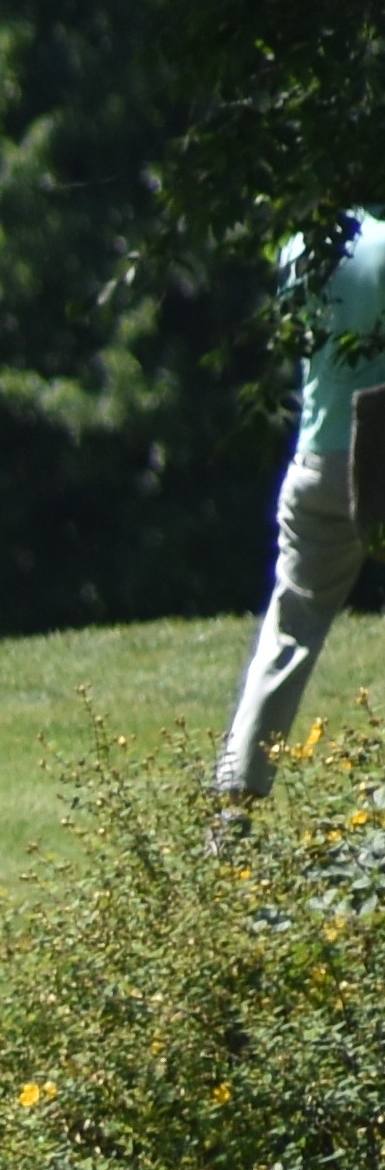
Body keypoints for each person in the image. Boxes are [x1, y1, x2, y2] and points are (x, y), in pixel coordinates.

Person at [217, 208, 385, 804]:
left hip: (315, 457)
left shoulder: (302, 243)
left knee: (289, 633)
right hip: (379, 451)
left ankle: (232, 807)